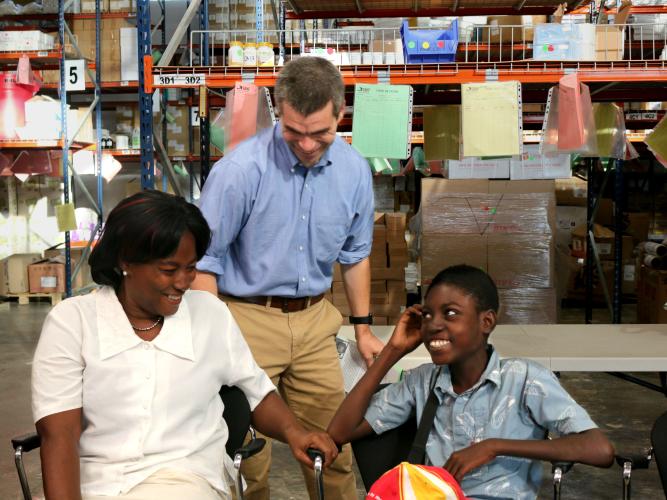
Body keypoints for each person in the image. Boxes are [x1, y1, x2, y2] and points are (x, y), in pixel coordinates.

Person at [31, 190, 338, 500]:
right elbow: (59, 436)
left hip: (186, 481)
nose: (182, 281)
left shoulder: (209, 314)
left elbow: (255, 391)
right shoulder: (72, 322)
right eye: (168, 270)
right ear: (126, 260)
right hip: (95, 485)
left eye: (190, 267)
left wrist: (295, 433)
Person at [192, 56, 383, 499]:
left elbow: (356, 255)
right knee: (245, 455)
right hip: (246, 320)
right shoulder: (240, 171)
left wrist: (364, 328)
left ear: (341, 113)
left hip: (316, 321)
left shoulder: (355, 171)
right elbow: (204, 262)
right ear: (278, 109)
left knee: (334, 449)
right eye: (295, 132)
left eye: (320, 133)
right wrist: (212, 337)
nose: (308, 144)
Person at [328, 265, 616, 499]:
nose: (434, 325)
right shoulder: (423, 382)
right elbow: (339, 433)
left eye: (450, 313)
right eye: (427, 315)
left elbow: (599, 449)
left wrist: (494, 446)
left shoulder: (524, 379)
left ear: (486, 322)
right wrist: (393, 351)